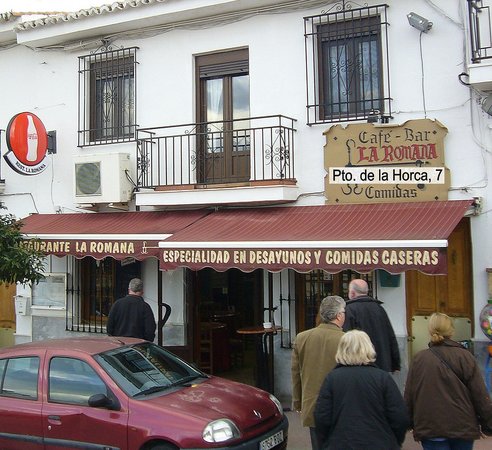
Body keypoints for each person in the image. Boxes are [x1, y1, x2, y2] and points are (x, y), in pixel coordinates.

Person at [404, 312, 492, 450]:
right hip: (462, 426)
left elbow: (409, 395)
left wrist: (409, 423)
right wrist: (487, 424)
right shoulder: (465, 357)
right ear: (451, 331)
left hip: (430, 426)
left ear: (430, 330)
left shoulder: (419, 359)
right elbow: (479, 393)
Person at [314, 330, 410, 449]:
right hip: (380, 444)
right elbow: (399, 417)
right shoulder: (382, 378)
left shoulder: (332, 379)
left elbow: (322, 417)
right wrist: (394, 441)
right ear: (369, 348)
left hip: (341, 443)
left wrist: (327, 443)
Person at [291, 295, 346, 450]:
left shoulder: (302, 338)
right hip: (340, 406)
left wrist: (298, 401)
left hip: (313, 405)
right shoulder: (346, 339)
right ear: (339, 315)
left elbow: (296, 373)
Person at [343, 278, 400, 372]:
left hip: (359, 364)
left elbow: (347, 339)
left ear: (352, 293)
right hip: (382, 364)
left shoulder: (349, 310)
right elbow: (391, 337)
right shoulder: (379, 309)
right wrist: (395, 363)